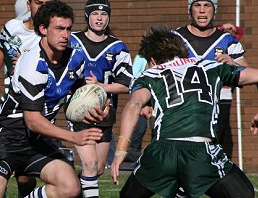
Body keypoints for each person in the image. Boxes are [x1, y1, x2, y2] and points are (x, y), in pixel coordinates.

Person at [0, 1, 108, 198]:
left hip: (38, 141)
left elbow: (80, 94)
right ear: (43, 29)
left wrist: (98, 106)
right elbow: (33, 121)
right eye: (59, 29)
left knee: (70, 187)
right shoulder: (32, 65)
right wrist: (74, 137)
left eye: (69, 29)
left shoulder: (76, 58)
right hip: (7, 137)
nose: (65, 35)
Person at [110, 24, 256, 198]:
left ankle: (181, 186)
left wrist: (120, 151)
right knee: (244, 194)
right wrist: (233, 65)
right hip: (201, 150)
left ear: (153, 60)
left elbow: (133, 105)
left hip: (162, 152)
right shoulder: (211, 67)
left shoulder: (151, 74)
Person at [0, 0, 47, 197]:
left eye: (47, 3)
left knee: (24, 177)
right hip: (6, 108)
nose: (42, 7)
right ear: (29, 4)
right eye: (38, 2)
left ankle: (25, 191)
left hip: (33, 111)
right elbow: (1, 46)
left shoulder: (54, 36)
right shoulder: (12, 28)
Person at [67, 0, 133, 197]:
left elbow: (125, 84)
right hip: (79, 112)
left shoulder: (118, 47)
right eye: (95, 13)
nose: (99, 18)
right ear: (87, 16)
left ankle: (67, 189)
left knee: (97, 169)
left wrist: (100, 87)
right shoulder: (72, 41)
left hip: (105, 113)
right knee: (89, 163)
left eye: (104, 15)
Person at [174, 0, 249, 159]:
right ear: (190, 10)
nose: (202, 10)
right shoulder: (175, 38)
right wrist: (147, 103)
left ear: (214, 10)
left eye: (207, 5)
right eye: (197, 5)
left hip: (218, 102)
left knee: (213, 152)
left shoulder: (228, 41)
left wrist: (233, 64)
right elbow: (153, 69)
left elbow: (247, 73)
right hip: (183, 104)